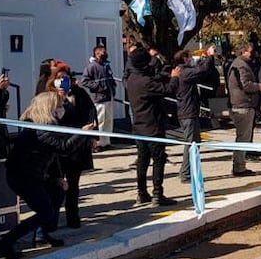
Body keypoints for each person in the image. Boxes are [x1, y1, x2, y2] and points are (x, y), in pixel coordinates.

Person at [0, 92, 90, 259]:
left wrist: (57, 177)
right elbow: (63, 148)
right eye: (59, 106)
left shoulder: (45, 127)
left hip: (37, 175)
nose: (62, 109)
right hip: (23, 177)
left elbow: (52, 157)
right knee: (45, 211)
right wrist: (82, 134)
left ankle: (42, 234)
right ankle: (6, 242)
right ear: (49, 108)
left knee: (57, 193)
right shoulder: (39, 129)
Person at [125, 46, 181, 206]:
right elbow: (169, 89)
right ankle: (158, 193)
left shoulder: (132, 79)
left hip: (138, 127)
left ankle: (141, 192)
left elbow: (153, 76)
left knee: (142, 160)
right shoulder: (145, 82)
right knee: (158, 159)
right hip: (152, 126)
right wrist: (174, 77)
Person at [46, 64, 97, 228]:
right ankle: (51, 220)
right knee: (57, 185)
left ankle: (73, 217)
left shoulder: (79, 93)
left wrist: (93, 134)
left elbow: (91, 111)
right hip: (59, 147)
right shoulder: (49, 97)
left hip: (77, 145)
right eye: (59, 78)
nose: (63, 81)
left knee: (73, 185)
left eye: (65, 78)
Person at [174, 46, 217, 183]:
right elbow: (202, 70)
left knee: (195, 142)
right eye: (190, 57)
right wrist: (209, 56)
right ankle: (185, 173)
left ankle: (189, 170)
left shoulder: (183, 71)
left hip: (189, 111)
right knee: (191, 143)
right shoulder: (184, 72)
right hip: (187, 112)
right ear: (185, 59)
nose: (192, 59)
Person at [227, 43, 261, 176]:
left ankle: (239, 165)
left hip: (241, 104)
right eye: (250, 51)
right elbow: (246, 85)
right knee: (243, 138)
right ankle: (239, 167)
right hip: (243, 105)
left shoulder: (239, 64)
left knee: (243, 137)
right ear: (243, 52)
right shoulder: (241, 66)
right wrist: (259, 86)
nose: (252, 53)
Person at [80, 45, 117, 152]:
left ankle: (106, 142)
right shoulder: (92, 66)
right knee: (100, 121)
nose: (104, 54)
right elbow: (85, 81)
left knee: (108, 121)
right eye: (102, 53)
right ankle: (98, 143)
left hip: (108, 97)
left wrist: (113, 86)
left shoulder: (106, 65)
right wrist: (98, 87)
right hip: (99, 98)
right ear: (96, 54)